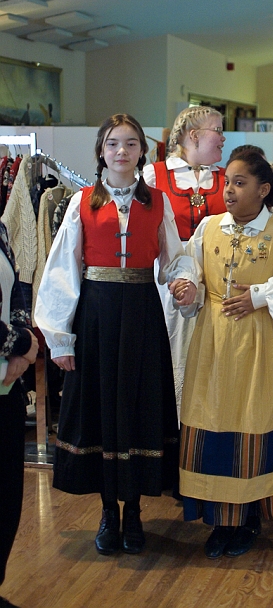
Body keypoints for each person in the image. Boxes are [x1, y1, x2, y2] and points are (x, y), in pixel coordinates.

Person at [35, 114, 198, 556]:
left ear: (142, 151)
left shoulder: (159, 202)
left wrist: (184, 282)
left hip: (143, 313)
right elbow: (62, 270)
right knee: (103, 408)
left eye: (130, 144)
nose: (121, 152)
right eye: (113, 144)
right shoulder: (81, 202)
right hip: (97, 316)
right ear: (101, 152)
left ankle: (135, 511)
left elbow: (174, 259)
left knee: (140, 405)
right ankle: (109, 511)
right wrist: (61, 339)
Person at [174, 150, 273, 559]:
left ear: (262, 190)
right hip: (211, 340)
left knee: (251, 422)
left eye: (240, 184)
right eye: (227, 183)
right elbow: (188, 269)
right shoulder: (207, 228)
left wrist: (260, 296)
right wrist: (187, 287)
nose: (229, 191)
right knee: (211, 418)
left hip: (257, 342)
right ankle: (218, 519)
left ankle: (248, 517)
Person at [143, 106, 226, 420]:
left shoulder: (224, 177)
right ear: (194, 135)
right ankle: (170, 426)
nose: (223, 138)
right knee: (173, 350)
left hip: (217, 279)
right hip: (168, 278)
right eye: (217, 130)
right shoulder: (155, 174)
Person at [0, 223, 38, 608]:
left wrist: (21, 348)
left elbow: (16, 296)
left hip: (4, 385)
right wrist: (23, 343)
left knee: (7, 494)